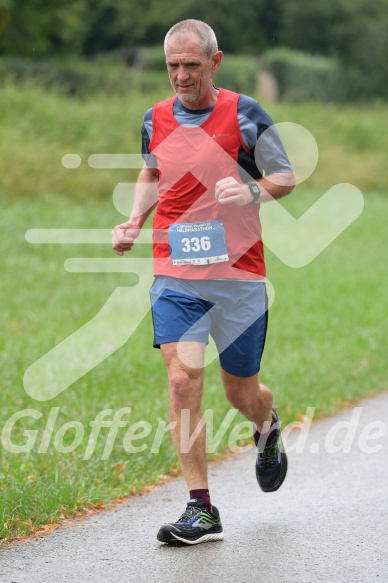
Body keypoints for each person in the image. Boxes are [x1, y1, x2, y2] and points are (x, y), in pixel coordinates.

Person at [112, 19, 295, 546]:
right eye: (173, 66)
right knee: (180, 380)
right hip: (176, 271)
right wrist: (134, 221)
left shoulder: (244, 114)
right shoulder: (155, 119)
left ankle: (267, 425)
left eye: (191, 65)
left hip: (239, 276)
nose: (180, 76)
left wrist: (253, 193)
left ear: (215, 62)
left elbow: (284, 175)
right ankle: (201, 509)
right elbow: (151, 173)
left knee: (241, 392)